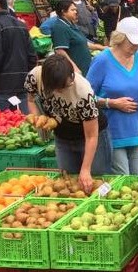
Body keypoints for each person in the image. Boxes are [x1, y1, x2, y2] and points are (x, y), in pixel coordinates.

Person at [25, 54, 112, 192]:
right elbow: (30, 100)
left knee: (94, 181)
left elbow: (91, 136)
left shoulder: (83, 91)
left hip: (90, 137)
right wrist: (38, 119)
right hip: (62, 137)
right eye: (58, 88)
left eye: (66, 85)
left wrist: (85, 169)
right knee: (68, 183)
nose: (62, 91)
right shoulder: (35, 77)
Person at [86, 17, 138, 176]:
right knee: (122, 179)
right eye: (132, 42)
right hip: (113, 133)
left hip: (137, 131)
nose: (136, 46)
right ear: (120, 39)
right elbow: (85, 98)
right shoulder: (102, 60)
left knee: (136, 179)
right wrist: (111, 103)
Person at [50, 0, 105, 76]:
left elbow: (84, 42)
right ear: (63, 12)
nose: (76, 12)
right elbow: (60, 51)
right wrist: (74, 67)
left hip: (85, 67)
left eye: (76, 10)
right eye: (72, 10)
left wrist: (102, 48)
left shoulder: (72, 24)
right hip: (76, 70)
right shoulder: (60, 27)